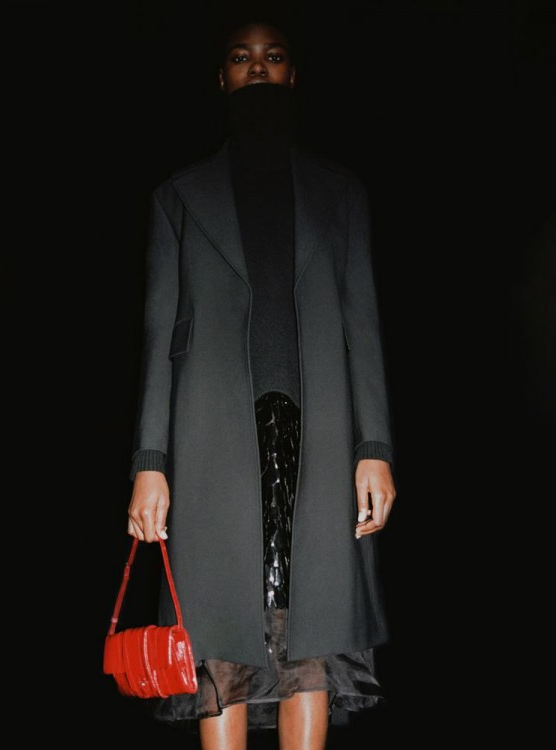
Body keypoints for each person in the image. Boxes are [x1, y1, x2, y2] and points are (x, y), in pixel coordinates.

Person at [126, 19, 397, 749]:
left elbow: (364, 328)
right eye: (242, 57)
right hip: (212, 440)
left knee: (314, 627)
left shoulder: (340, 193)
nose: (257, 67)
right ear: (222, 78)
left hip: (320, 435)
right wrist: (150, 464)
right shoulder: (180, 197)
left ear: (292, 74)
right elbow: (160, 338)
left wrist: (374, 448)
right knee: (219, 627)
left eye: (272, 56)